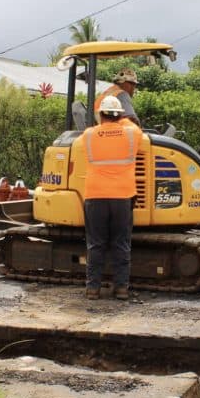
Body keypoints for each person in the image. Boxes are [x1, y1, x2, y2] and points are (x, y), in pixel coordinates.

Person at [82, 96, 140, 301]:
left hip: (95, 195)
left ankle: (93, 289)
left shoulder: (88, 135)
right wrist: (121, 120)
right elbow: (130, 126)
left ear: (101, 115)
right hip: (122, 196)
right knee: (121, 244)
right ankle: (122, 288)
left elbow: (99, 131)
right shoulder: (132, 134)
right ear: (119, 115)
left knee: (95, 244)